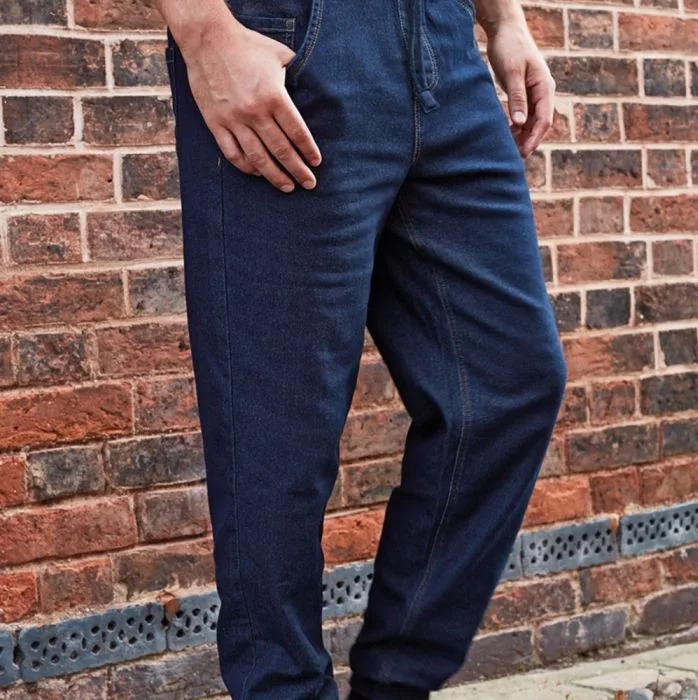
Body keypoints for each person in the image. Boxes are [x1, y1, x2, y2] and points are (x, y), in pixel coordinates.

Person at [155, 0, 567, 696]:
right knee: (277, 437)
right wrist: (203, 30)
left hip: (444, 45)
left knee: (509, 384)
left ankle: (396, 684)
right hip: (293, 43)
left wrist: (504, 21)